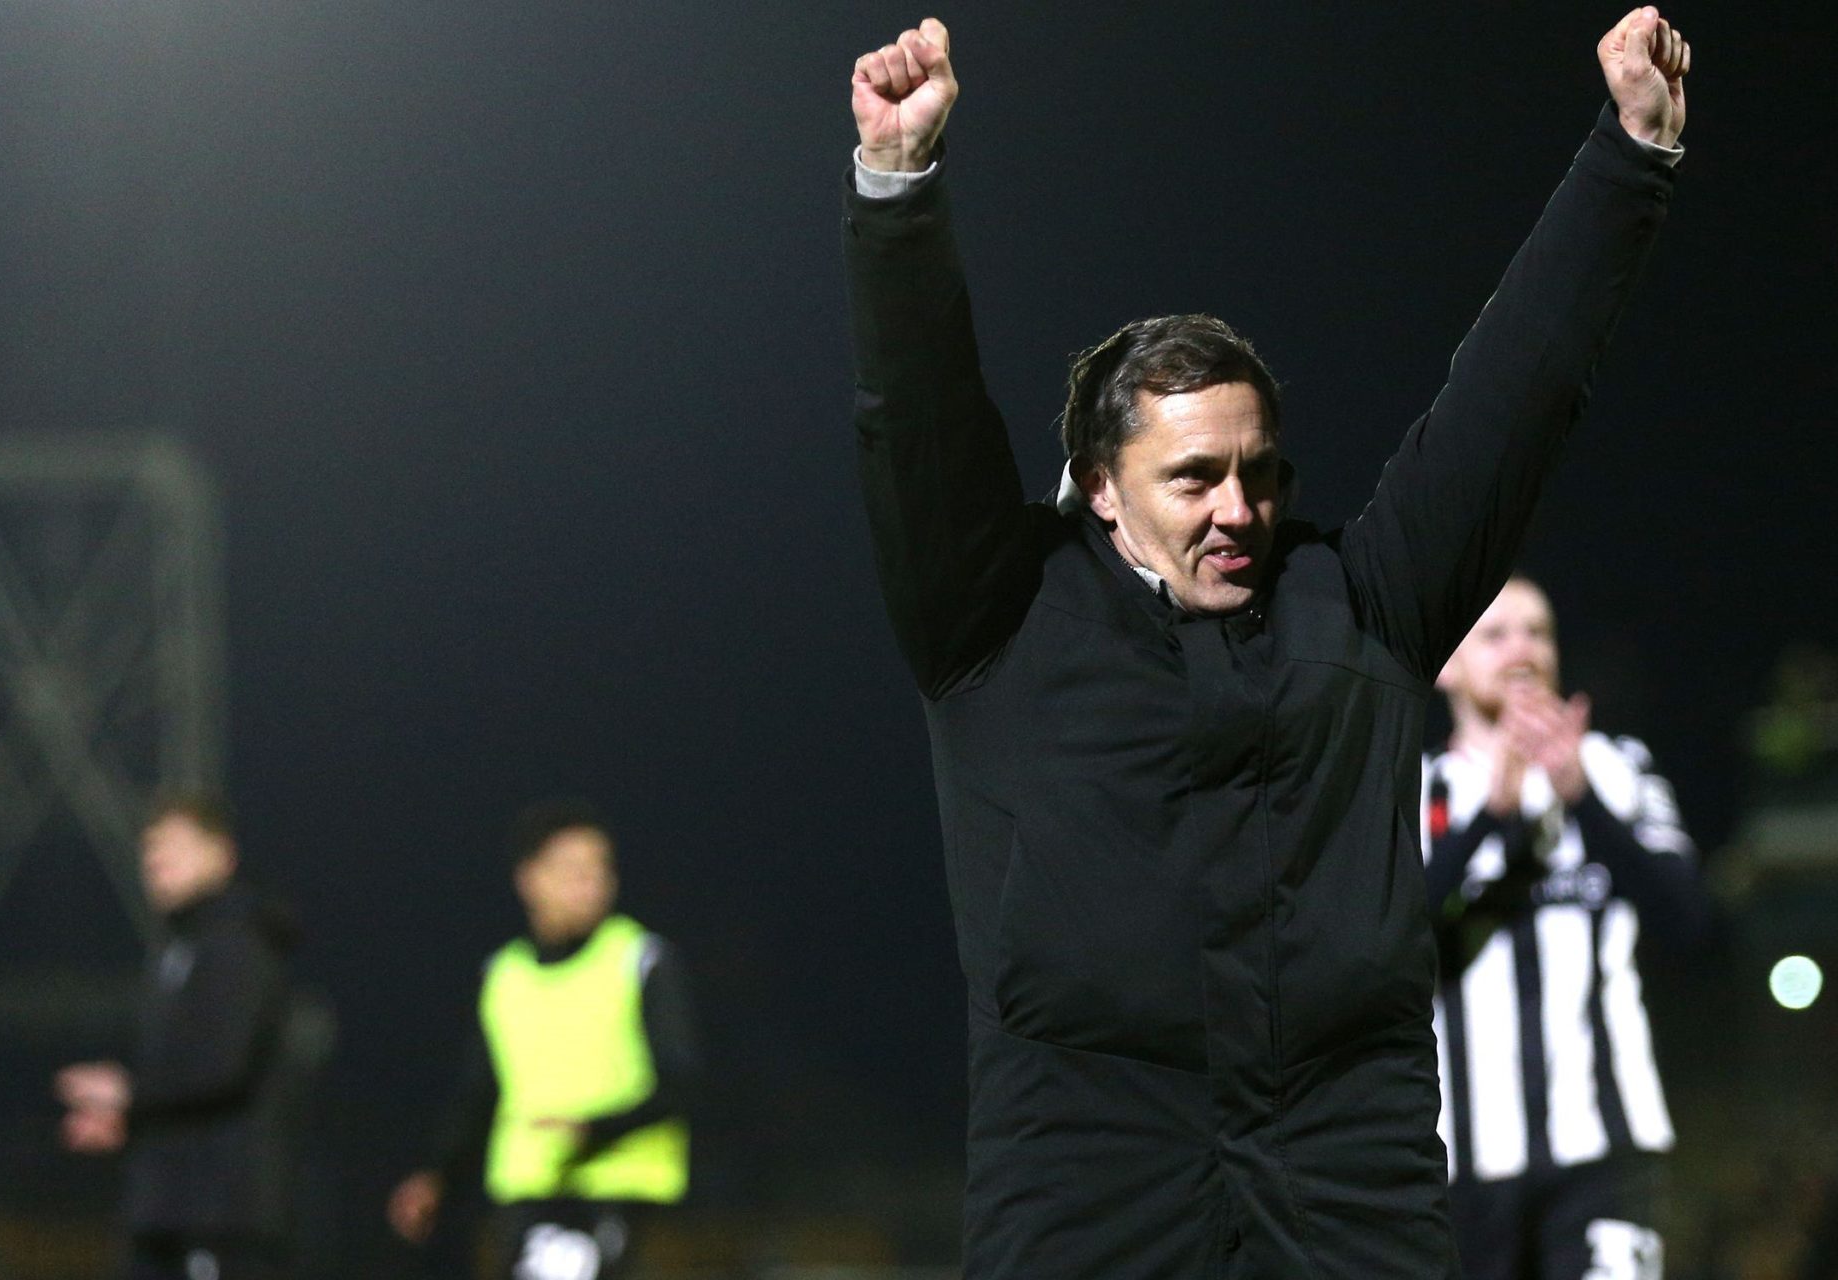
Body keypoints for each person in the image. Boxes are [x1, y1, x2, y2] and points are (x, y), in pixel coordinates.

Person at [843, 9, 1691, 1276]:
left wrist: (1629, 162)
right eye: (1194, 477)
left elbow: (1512, 405)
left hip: (1342, 1175)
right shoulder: (996, 619)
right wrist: (898, 189)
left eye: (1258, 472)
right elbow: (915, 420)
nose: (1238, 508)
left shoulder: (1361, 604)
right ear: (1100, 485)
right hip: (1085, 1175)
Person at [1421, 577, 1705, 1280]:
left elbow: (1687, 918)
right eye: (1495, 634)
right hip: (1461, 1166)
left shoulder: (1619, 768)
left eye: (1538, 632)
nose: (1522, 649)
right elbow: (1385, 943)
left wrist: (1577, 795)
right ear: (1446, 664)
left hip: (1606, 1151)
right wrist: (1489, 817)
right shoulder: (1414, 790)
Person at [387, 802, 701, 1280]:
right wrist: (437, 1174)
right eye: (574, 869)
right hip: (527, 1195)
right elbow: (478, 1092)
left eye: (600, 869)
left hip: (618, 1192)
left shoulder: (639, 959)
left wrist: (595, 1129)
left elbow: (681, 1080)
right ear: (530, 878)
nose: (592, 883)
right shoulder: (503, 975)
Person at [55, 792, 309, 1280]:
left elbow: (219, 1068)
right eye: (150, 848)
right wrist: (131, 1122)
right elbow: (184, 1081)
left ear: (222, 854)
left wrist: (129, 1094)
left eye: (173, 844)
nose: (156, 860)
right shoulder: (181, 948)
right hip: (171, 1216)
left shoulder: (239, 944)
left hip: (219, 1218)